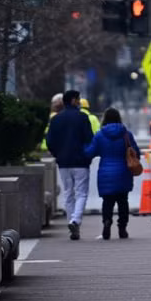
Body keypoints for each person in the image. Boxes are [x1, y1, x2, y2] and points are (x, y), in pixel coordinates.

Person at [85, 108, 141, 240]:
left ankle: (106, 222)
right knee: (123, 201)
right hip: (123, 172)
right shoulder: (126, 134)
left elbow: (89, 153)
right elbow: (136, 152)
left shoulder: (99, 135)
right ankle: (122, 228)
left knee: (107, 202)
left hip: (106, 173)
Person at [46, 90, 94, 240]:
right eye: (78, 99)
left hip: (64, 162)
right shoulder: (82, 118)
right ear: (73, 100)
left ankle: (71, 224)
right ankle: (75, 220)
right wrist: (88, 156)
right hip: (80, 162)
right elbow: (89, 139)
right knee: (81, 193)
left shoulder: (56, 120)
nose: (79, 102)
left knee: (68, 193)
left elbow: (50, 142)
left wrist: (58, 154)